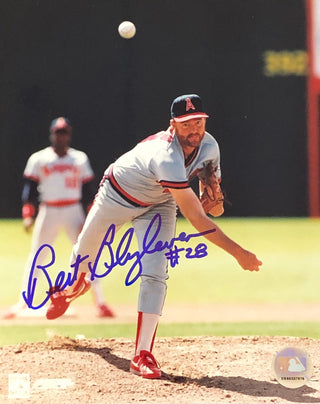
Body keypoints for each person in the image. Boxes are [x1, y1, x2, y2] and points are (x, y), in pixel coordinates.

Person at [45, 96, 262, 378]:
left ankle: (142, 354)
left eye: (199, 121)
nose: (195, 129)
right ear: (173, 125)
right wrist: (239, 253)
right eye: (186, 124)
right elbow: (197, 219)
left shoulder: (209, 146)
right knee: (84, 253)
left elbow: (212, 210)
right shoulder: (166, 155)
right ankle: (78, 283)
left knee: (155, 272)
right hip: (117, 194)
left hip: (159, 202)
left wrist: (214, 197)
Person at [3, 117, 114, 319]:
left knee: (86, 256)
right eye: (58, 132)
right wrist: (28, 213)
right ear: (52, 134)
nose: (61, 136)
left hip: (73, 210)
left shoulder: (79, 158)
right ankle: (23, 302)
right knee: (37, 256)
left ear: (69, 135)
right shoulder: (39, 158)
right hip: (49, 211)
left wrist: (91, 217)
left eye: (64, 132)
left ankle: (100, 302)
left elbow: (90, 190)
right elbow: (29, 189)